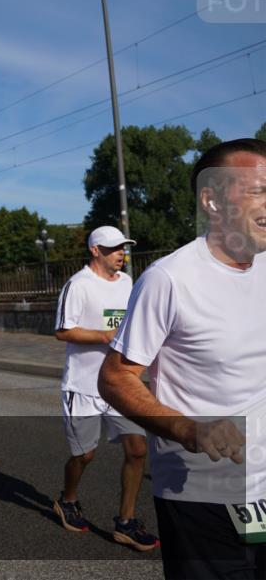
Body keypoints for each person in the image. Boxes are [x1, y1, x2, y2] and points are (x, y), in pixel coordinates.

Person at [99, 139, 266, 579]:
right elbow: (116, 378)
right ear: (210, 199)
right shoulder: (170, 279)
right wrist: (187, 428)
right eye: (257, 190)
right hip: (204, 487)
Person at [51, 226, 158, 551]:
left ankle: (125, 522)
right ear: (95, 250)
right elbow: (63, 331)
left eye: (123, 248)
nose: (120, 254)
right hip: (83, 387)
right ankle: (68, 500)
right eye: (114, 249)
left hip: (119, 384)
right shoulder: (78, 285)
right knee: (84, 455)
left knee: (138, 450)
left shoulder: (128, 283)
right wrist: (103, 336)